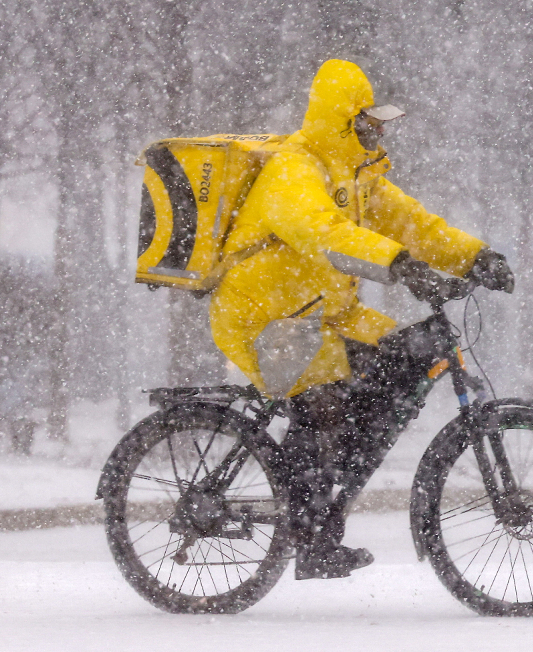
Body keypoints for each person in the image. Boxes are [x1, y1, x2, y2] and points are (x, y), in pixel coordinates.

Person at [209, 59, 515, 579]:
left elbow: (415, 224)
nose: (377, 131)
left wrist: (474, 257)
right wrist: (400, 266)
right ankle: (309, 535)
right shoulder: (296, 169)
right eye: (368, 121)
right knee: (325, 405)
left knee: (403, 360)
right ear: (344, 119)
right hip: (265, 320)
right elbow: (324, 232)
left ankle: (331, 483)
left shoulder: (357, 177)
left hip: (326, 317)